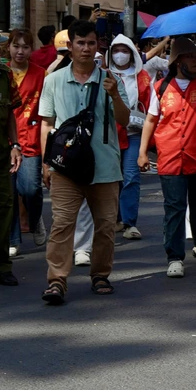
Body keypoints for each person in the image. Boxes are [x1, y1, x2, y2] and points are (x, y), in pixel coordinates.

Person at [39, 20, 130, 303]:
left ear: (98, 45)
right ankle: (56, 281)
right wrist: (46, 163)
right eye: (81, 43)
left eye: (92, 43)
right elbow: (46, 124)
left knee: (104, 225)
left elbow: (124, 120)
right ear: (70, 46)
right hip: (65, 168)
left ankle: (100, 274)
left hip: (104, 166)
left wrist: (114, 94)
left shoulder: (111, 79)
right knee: (62, 224)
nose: (86, 49)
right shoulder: (53, 80)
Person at [137, 38, 196, 278]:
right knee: (174, 208)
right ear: (177, 61)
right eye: (190, 56)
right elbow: (150, 119)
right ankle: (174, 256)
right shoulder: (160, 86)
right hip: (171, 156)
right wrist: (141, 152)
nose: (195, 61)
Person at [5, 29, 47, 258]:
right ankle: (14, 239)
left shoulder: (41, 74)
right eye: (16, 46)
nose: (20, 51)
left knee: (30, 189)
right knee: (9, 193)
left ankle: (35, 218)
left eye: (25, 47)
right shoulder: (0, 73)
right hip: (5, 141)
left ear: (32, 50)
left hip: (31, 138)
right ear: (8, 47)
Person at [106, 34, 151, 241]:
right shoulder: (102, 74)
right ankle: (113, 218)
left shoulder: (142, 77)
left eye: (125, 51)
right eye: (116, 50)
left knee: (131, 176)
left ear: (132, 54)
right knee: (111, 179)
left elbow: (149, 105)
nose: (120, 55)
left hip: (133, 132)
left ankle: (129, 222)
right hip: (108, 134)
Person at [0, 22, 22, 287]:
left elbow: (10, 110)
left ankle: (2, 266)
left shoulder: (5, 75)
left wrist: (15, 145)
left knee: (4, 211)